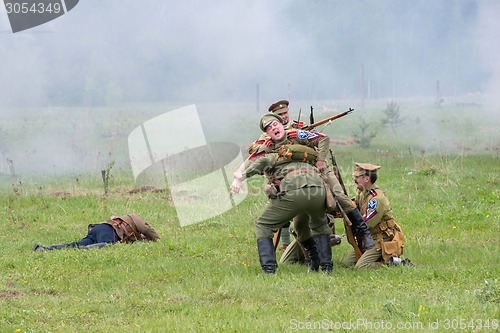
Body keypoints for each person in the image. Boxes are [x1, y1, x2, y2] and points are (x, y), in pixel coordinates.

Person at [231, 113, 334, 274]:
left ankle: (269, 270)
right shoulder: (283, 149)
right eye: (269, 128)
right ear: (267, 134)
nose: (273, 128)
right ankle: (324, 266)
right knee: (315, 225)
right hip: (318, 189)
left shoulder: (286, 142)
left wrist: (240, 177)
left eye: (275, 124)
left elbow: (259, 162)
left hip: (294, 191)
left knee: (263, 224)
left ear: (282, 125)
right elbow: (253, 158)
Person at [343, 163, 405, 269]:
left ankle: (391, 262)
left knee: (361, 267)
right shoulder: (363, 194)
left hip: (381, 239)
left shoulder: (377, 199)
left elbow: (367, 223)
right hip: (370, 237)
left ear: (366, 179)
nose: (355, 180)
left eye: (357, 177)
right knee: (347, 263)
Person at [33, 214, 160, 251]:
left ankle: (45, 248)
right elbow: (146, 229)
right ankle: (86, 250)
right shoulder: (133, 218)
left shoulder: (131, 234)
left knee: (75, 244)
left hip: (97, 229)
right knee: (107, 244)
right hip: (108, 230)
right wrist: (157, 240)